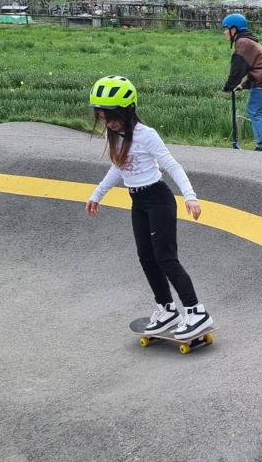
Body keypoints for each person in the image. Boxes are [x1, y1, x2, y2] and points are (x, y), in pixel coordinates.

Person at [85, 75, 214, 339]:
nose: (107, 122)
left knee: (165, 258)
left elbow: (172, 165)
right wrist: (97, 194)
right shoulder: (116, 136)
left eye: (111, 116)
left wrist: (190, 196)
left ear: (127, 110)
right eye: (102, 117)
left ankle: (196, 312)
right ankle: (167, 309)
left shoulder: (146, 135)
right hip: (138, 202)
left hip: (158, 199)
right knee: (146, 257)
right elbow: (118, 168)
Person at [221, 13, 262, 154]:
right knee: (261, 111)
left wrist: (229, 86)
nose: (225, 32)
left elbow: (238, 69)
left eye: (226, 29)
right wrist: (243, 85)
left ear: (234, 29)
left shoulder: (243, 43)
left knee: (254, 111)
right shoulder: (249, 42)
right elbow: (255, 67)